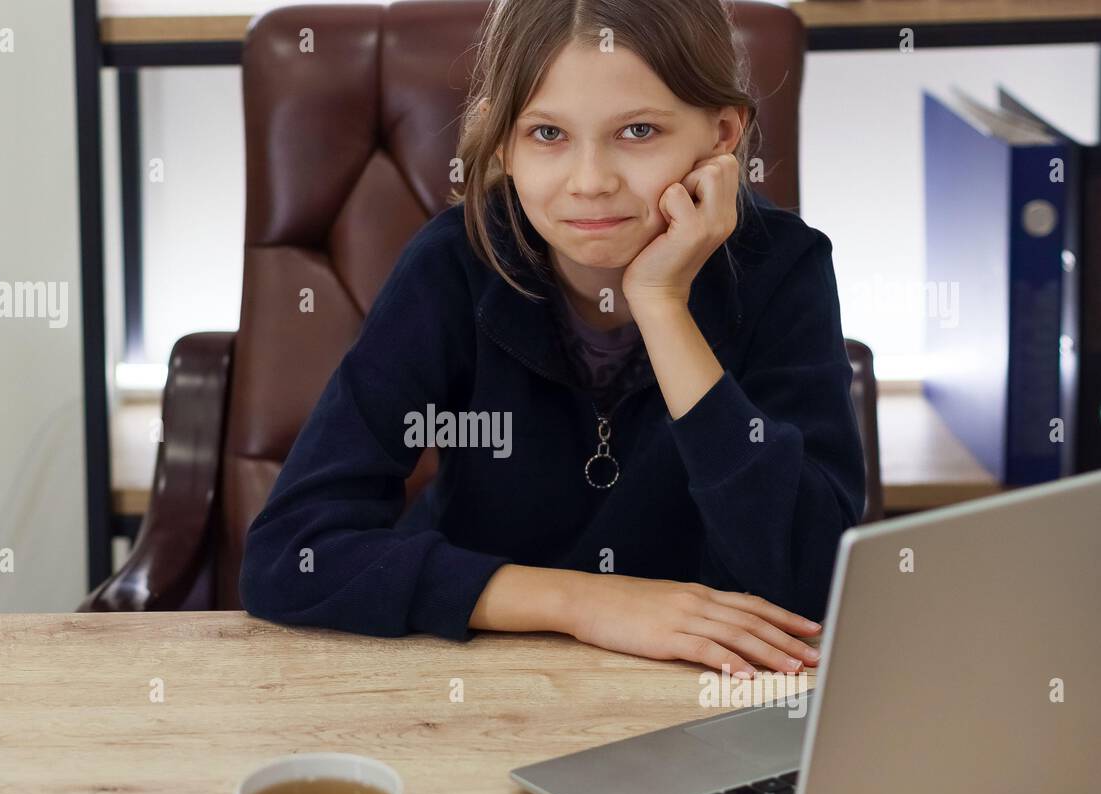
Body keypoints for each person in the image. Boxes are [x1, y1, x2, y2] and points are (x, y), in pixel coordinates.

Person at [241, 0, 866, 676]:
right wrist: (583, 602)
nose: (590, 182)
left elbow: (810, 578)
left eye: (638, 131)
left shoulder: (783, 267)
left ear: (720, 134)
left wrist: (660, 304)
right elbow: (290, 553)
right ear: (502, 143)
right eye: (547, 135)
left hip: (703, 692)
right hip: (481, 680)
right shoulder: (453, 267)